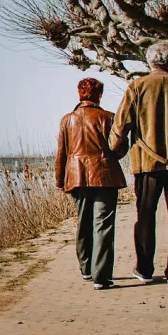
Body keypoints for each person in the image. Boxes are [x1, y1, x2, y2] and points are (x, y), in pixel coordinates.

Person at [109, 43, 168, 291]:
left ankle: (144, 269)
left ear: (149, 61)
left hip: (146, 163)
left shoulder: (137, 87)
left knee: (145, 217)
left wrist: (113, 149)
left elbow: (121, 126)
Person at [56, 78, 127, 290]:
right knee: (103, 225)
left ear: (80, 94)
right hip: (105, 176)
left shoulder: (67, 120)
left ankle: (86, 269)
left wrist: (60, 179)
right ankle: (101, 277)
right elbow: (120, 149)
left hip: (76, 176)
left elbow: (61, 153)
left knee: (83, 223)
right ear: (99, 95)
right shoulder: (108, 118)